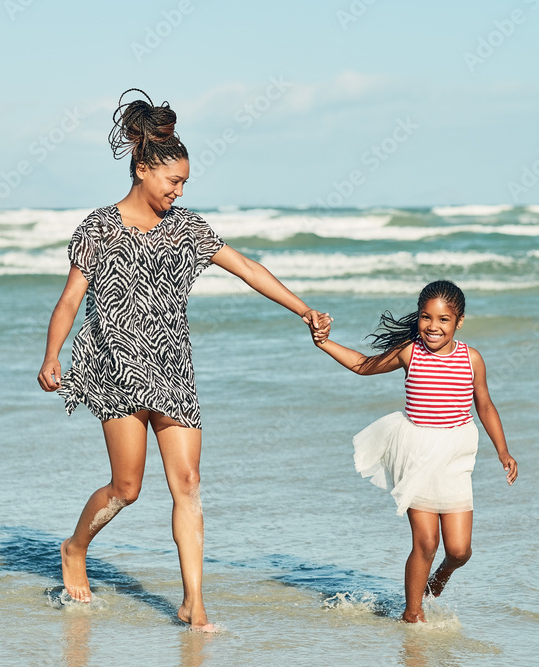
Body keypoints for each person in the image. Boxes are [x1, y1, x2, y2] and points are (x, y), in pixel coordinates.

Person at [36, 89, 329, 632]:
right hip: (114, 372)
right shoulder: (98, 228)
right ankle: (74, 547)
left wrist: (302, 308)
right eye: (173, 180)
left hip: (173, 370)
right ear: (144, 168)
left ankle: (194, 603)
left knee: (188, 482)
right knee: (127, 488)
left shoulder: (188, 228)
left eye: (184, 183)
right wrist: (52, 356)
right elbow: (69, 301)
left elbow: (244, 265)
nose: (179, 190)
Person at [310, 279, 517, 623]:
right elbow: (363, 364)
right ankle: (412, 613)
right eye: (426, 317)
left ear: (459, 321)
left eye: (443, 319)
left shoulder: (472, 359)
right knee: (426, 542)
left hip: (456, 454)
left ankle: (441, 577)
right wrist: (324, 343)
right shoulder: (410, 351)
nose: (433, 326)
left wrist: (503, 450)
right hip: (416, 451)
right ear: (418, 317)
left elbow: (484, 403)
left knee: (459, 550)